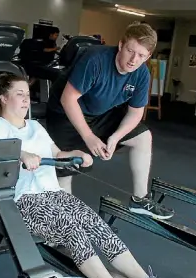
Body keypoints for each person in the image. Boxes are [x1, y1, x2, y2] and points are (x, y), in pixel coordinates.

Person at [0, 73, 187, 278]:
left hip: (54, 194)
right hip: (22, 200)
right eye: (19, 94)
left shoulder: (35, 126)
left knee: (96, 224)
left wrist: (78, 153)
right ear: (4, 98)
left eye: (28, 94)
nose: (26, 100)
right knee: (71, 229)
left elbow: (57, 154)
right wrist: (22, 155)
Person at [45, 22, 175, 220]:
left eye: (141, 55)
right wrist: (89, 136)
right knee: (67, 168)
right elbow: (68, 99)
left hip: (100, 114)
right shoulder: (95, 59)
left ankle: (140, 200)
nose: (134, 60)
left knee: (143, 137)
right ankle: (64, 224)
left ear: (148, 56)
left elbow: (135, 113)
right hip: (65, 113)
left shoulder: (141, 74)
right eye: (131, 51)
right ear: (121, 45)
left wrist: (115, 137)